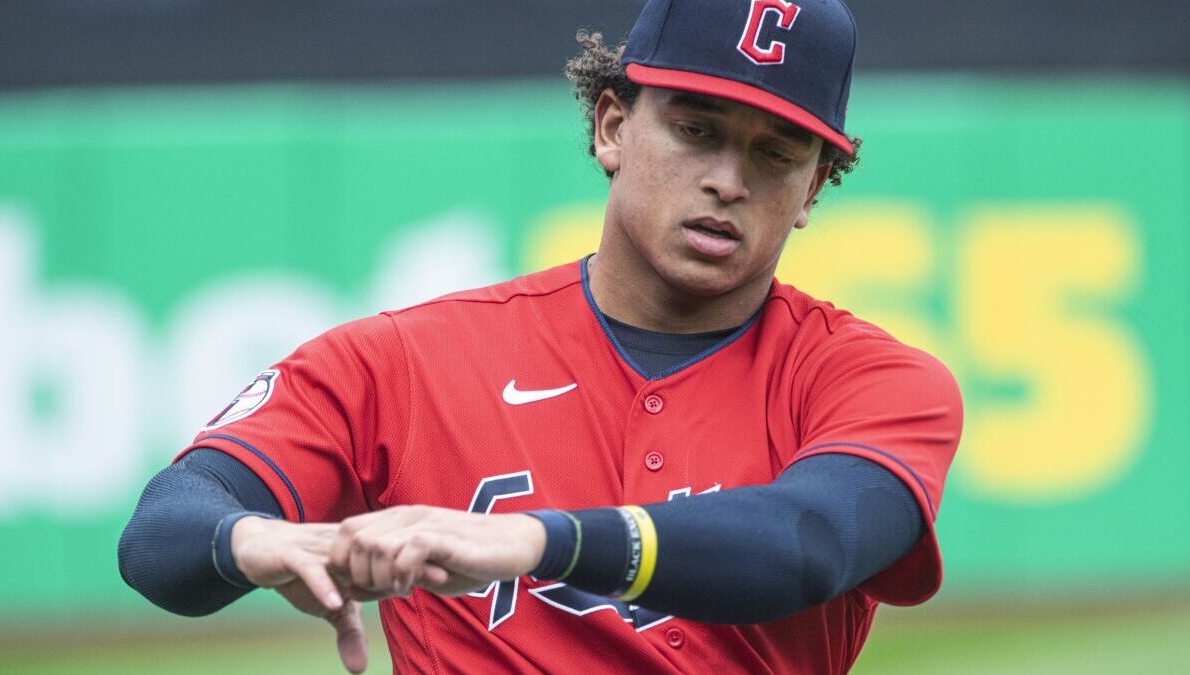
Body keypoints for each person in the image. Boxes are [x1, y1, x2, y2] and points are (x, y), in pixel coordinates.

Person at [118, 1, 962, 673]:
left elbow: (808, 542)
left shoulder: (875, 381)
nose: (727, 181)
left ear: (813, 188)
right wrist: (253, 537)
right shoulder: (407, 361)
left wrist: (536, 539)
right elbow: (163, 536)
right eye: (695, 129)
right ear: (611, 129)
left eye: (775, 153)